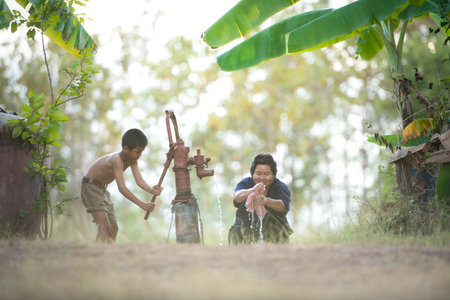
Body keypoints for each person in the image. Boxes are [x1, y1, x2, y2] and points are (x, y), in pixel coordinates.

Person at [81, 128, 162, 243]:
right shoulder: (117, 160)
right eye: (137, 152)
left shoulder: (133, 160)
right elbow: (122, 189)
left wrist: (151, 190)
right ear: (126, 149)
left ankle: (109, 256)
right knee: (104, 227)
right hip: (90, 187)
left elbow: (139, 180)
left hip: (102, 189)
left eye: (141, 152)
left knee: (114, 229)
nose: (139, 155)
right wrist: (142, 205)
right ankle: (95, 256)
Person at [229, 153, 293, 244]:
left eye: (266, 174)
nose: (262, 178)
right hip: (243, 234)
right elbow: (237, 198)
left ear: (273, 175)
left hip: (275, 235)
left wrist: (265, 201)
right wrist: (252, 190)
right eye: (258, 174)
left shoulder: (280, 187)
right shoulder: (246, 183)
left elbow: (283, 206)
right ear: (252, 173)